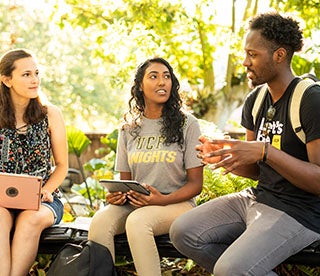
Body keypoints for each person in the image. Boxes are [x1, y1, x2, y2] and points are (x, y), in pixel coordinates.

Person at [170, 12, 320, 276]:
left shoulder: (310, 100)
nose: (244, 62)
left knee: (230, 270)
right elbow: (256, 170)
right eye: (245, 54)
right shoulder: (256, 100)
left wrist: (266, 151)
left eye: (253, 54)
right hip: (257, 199)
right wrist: (226, 157)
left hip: (301, 212)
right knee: (183, 232)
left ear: (279, 55)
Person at [88, 57, 203, 276]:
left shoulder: (188, 124)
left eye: (166, 77)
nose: (162, 82)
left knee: (138, 222)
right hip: (137, 203)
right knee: (100, 222)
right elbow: (125, 180)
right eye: (154, 76)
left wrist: (163, 200)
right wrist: (117, 196)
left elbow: (196, 184)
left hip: (177, 203)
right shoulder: (129, 129)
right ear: (140, 86)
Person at [0, 48, 68, 276]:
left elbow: (62, 166)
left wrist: (46, 191)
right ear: (6, 80)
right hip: (2, 200)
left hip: (44, 199)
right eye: (26, 74)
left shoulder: (50, 113)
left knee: (30, 220)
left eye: (36, 73)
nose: (35, 80)